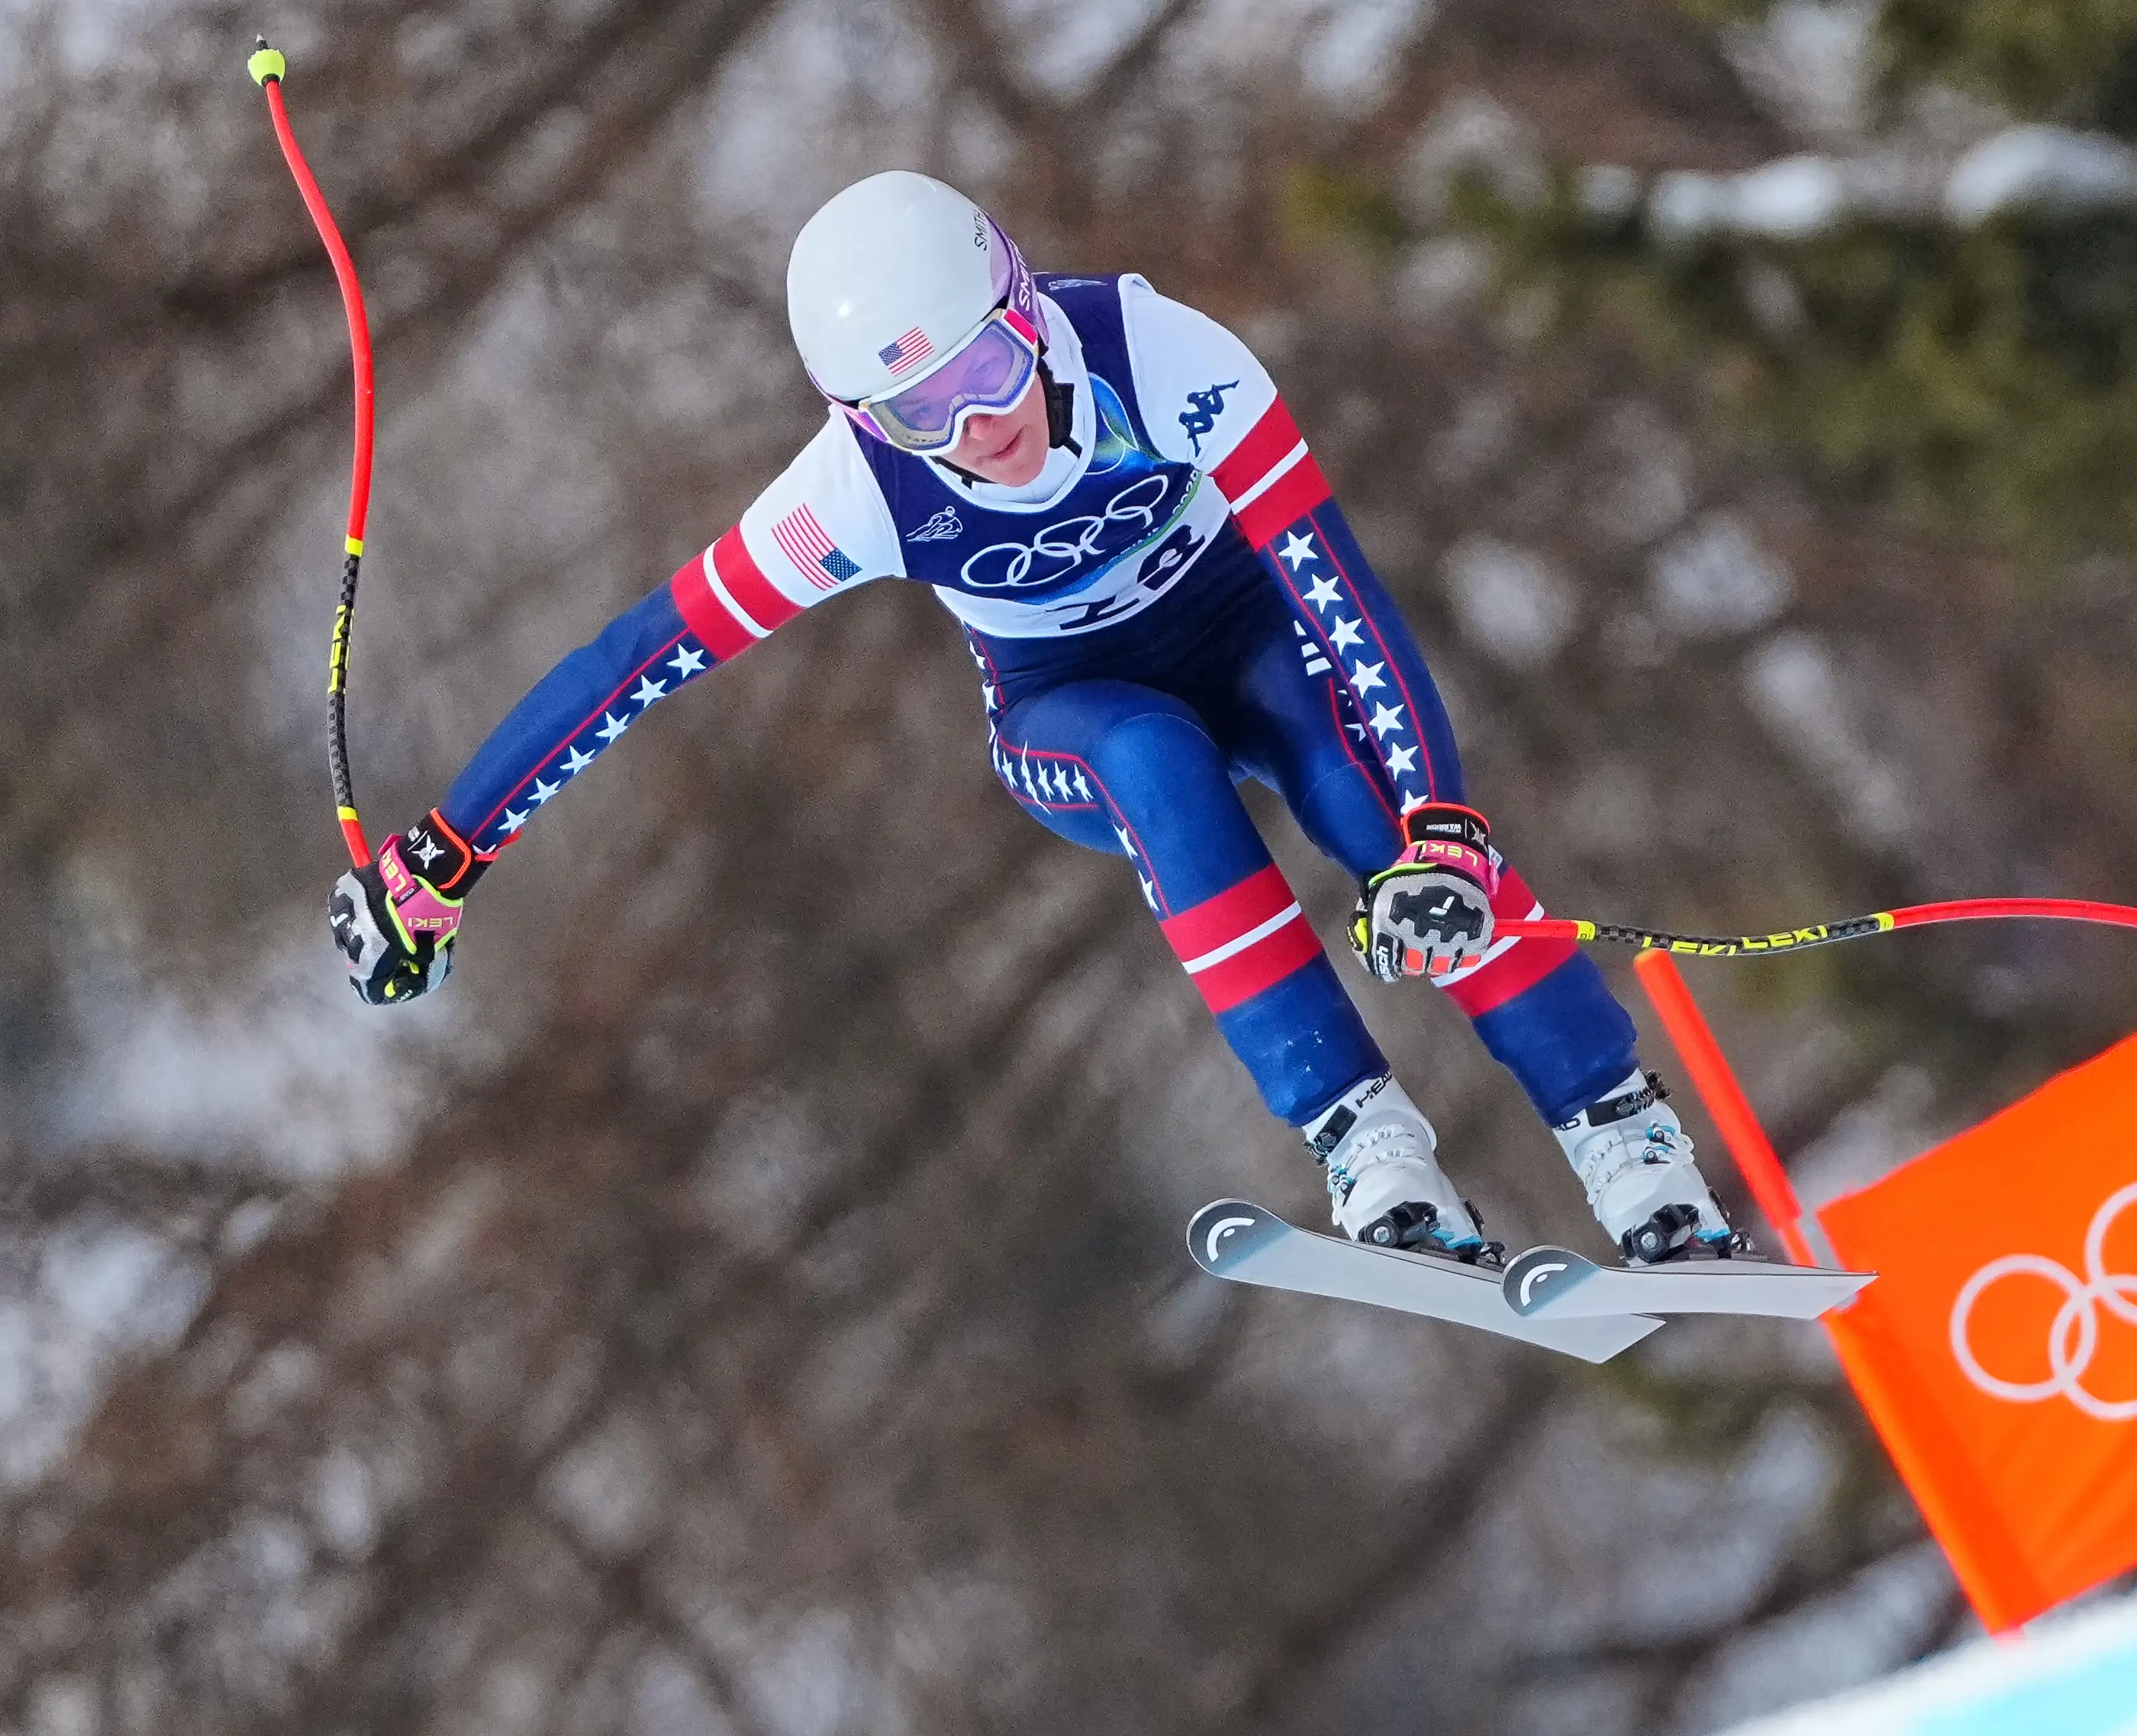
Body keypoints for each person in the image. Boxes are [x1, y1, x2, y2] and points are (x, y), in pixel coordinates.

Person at [329, 171, 1742, 1266]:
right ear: (865, 422)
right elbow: (637, 659)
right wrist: (447, 857)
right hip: (1069, 712)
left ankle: (1625, 1137)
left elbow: (1340, 601)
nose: (976, 427)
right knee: (1151, 758)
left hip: (1251, 635)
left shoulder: (1159, 349)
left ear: (1026, 309)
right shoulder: (861, 490)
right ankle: (1365, 1143)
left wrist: (1438, 831)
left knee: (1355, 781)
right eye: (918, 411)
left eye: (988, 369)